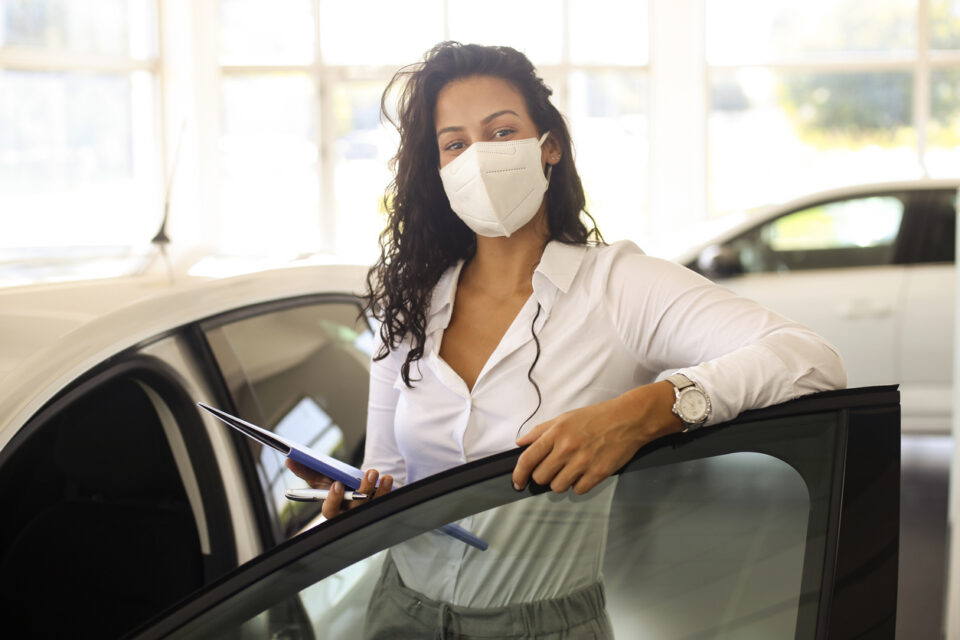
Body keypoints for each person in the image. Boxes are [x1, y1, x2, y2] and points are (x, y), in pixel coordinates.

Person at [288, 41, 846, 639]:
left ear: (548, 145)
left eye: (501, 132)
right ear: (441, 171)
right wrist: (366, 499)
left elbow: (812, 362)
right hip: (400, 615)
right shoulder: (409, 305)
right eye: (454, 144)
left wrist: (644, 411)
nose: (478, 157)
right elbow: (391, 475)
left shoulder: (618, 287)